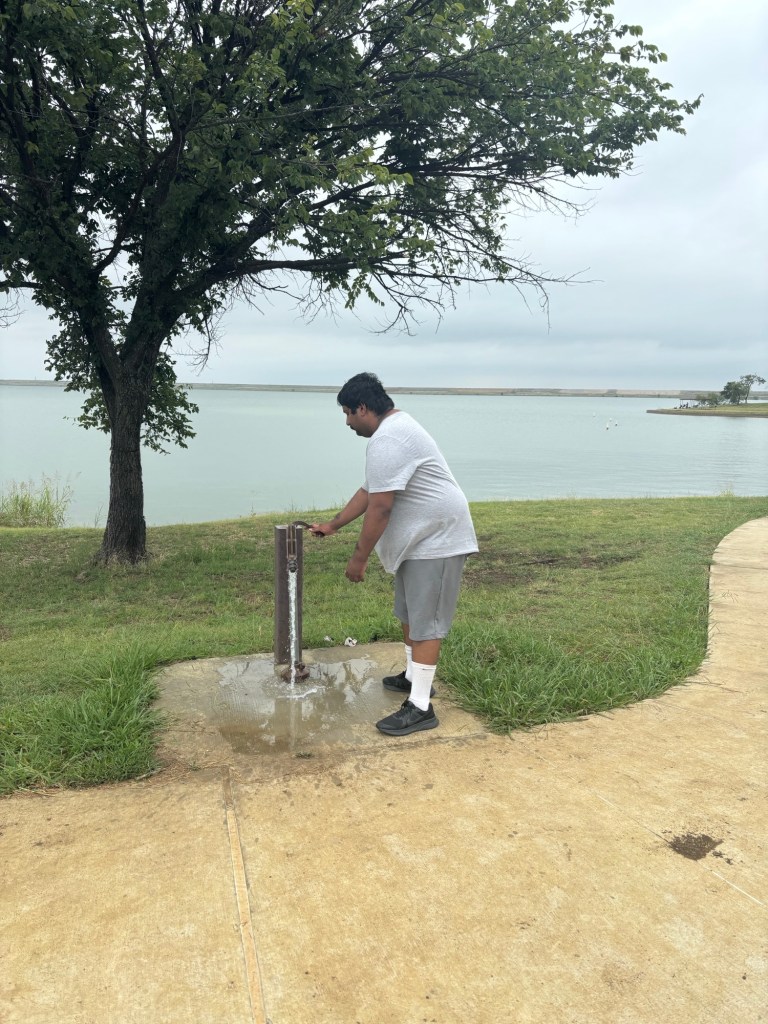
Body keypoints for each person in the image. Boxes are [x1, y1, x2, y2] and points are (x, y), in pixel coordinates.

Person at [310, 372, 478, 737]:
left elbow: (381, 507)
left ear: (363, 408)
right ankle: (414, 678)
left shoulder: (388, 439)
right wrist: (334, 525)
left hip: (437, 540)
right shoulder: (392, 431)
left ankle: (421, 707)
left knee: (426, 622)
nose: (347, 422)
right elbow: (369, 491)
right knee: (409, 613)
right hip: (419, 542)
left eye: (347, 413)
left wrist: (359, 558)